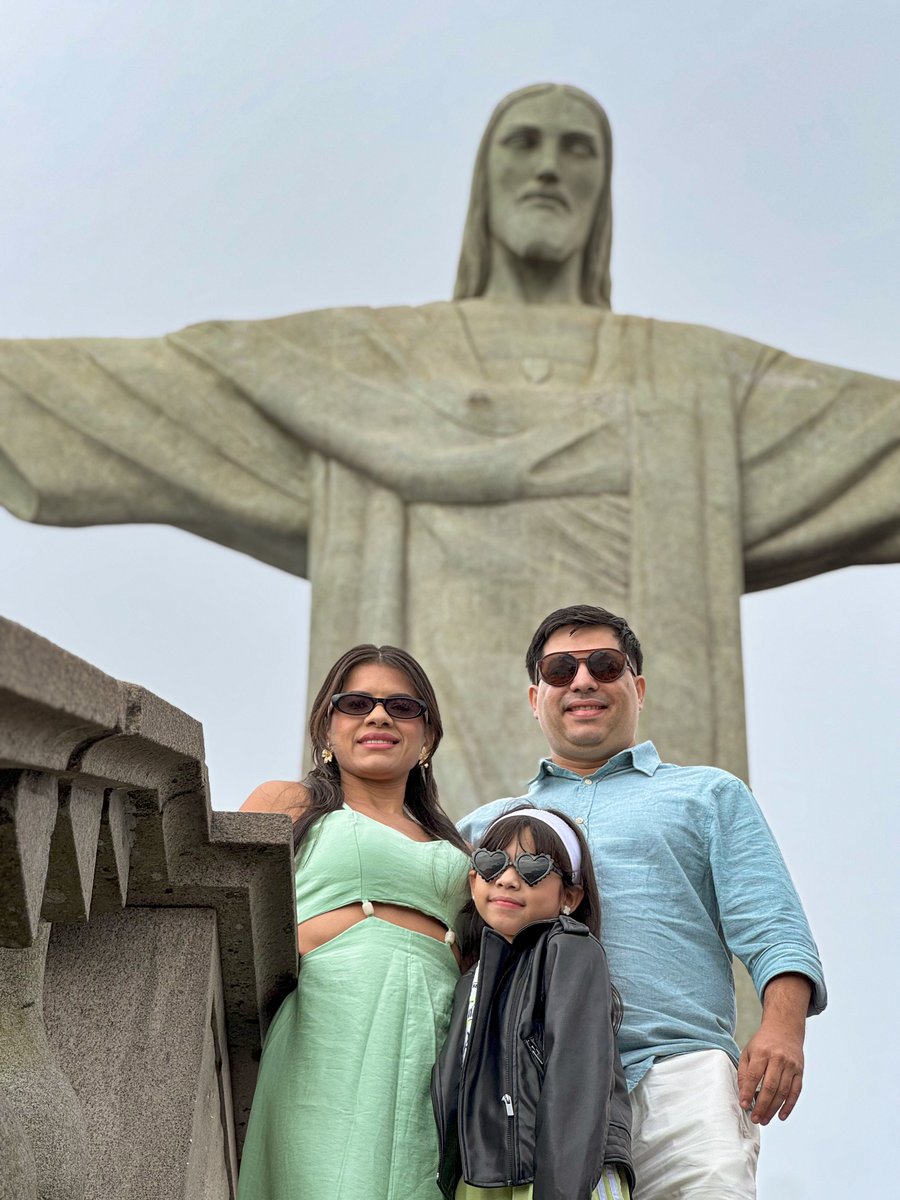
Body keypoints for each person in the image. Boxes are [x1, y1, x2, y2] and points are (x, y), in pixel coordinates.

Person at [2, 83, 897, 817]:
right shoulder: (377, 367)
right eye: (524, 143)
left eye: (577, 147)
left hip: (640, 885)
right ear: (485, 181)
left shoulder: (694, 379)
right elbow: (171, 387)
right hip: (412, 846)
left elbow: (870, 438)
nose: (548, 165)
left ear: (604, 188)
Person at [459, 605, 827, 1200]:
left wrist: (784, 1029)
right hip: (534, 1086)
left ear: (638, 687)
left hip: (680, 1075)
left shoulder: (708, 795)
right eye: (560, 670)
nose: (583, 681)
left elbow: (772, 923)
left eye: (605, 665)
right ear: (535, 697)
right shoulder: (485, 830)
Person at [237, 643, 471, 1200]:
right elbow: (226, 908)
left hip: (436, 1035)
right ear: (326, 726)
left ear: (428, 738)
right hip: (330, 1025)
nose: (379, 716)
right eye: (356, 702)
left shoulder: (457, 843)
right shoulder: (289, 802)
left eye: (402, 706)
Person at [432, 805, 634, 1200]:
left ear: (570, 897)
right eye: (492, 864)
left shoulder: (571, 950)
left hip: (568, 1176)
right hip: (483, 1179)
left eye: (533, 868)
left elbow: (576, 1087)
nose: (507, 880)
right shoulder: (470, 981)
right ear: (474, 880)